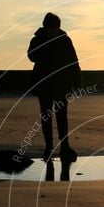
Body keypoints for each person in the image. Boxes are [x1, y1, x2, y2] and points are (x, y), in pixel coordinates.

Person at [27, 12, 81, 162]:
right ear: (46, 27)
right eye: (52, 28)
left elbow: (73, 60)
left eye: (56, 28)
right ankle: (48, 147)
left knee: (62, 115)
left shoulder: (65, 40)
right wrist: (45, 47)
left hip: (62, 83)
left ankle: (65, 146)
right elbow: (31, 56)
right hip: (44, 83)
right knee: (46, 115)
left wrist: (78, 80)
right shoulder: (37, 40)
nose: (54, 30)